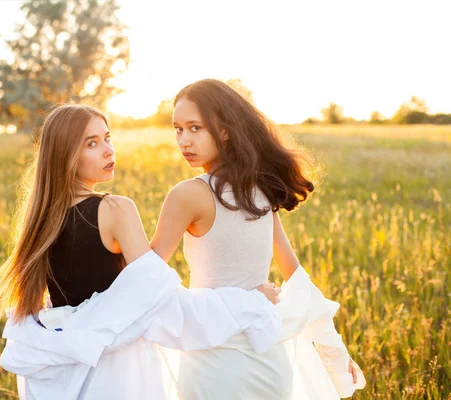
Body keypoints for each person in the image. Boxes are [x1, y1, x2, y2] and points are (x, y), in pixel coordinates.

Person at [0, 104, 287, 399]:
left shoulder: (41, 220)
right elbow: (162, 303)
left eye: (108, 138)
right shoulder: (115, 209)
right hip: (115, 369)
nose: (108, 150)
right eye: (91, 143)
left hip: (61, 369)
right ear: (65, 156)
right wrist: (249, 300)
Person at [150, 79, 365, 399]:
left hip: (214, 358)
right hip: (270, 360)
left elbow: (145, 278)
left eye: (195, 128)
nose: (184, 140)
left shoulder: (187, 195)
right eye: (178, 129)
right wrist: (333, 348)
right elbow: (299, 280)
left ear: (224, 130)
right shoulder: (259, 192)